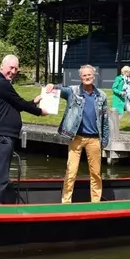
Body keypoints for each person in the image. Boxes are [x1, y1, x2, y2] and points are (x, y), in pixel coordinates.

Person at [44, 65, 110, 203]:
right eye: (84, 75)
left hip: (94, 139)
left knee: (96, 173)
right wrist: (52, 86)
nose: (87, 78)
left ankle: (95, 202)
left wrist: (104, 140)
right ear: (81, 77)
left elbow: (105, 120)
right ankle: (66, 202)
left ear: (94, 76)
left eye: (89, 75)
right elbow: (60, 90)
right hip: (76, 138)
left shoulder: (102, 96)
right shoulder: (73, 92)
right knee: (71, 171)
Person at [0, 54, 47, 204]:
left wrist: (34, 101)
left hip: (5, 137)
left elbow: (15, 105)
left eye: (16, 69)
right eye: (10, 68)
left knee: (3, 176)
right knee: (0, 177)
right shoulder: (0, 83)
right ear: (2, 66)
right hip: (1, 137)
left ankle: (0, 206)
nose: (13, 71)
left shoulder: (2, 84)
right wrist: (39, 112)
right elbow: (19, 103)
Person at [111, 65, 130, 132]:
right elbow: (114, 88)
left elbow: (128, 88)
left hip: (127, 99)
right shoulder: (118, 78)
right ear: (125, 72)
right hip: (120, 99)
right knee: (120, 114)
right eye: (129, 71)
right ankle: (113, 128)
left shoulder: (127, 79)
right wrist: (120, 92)